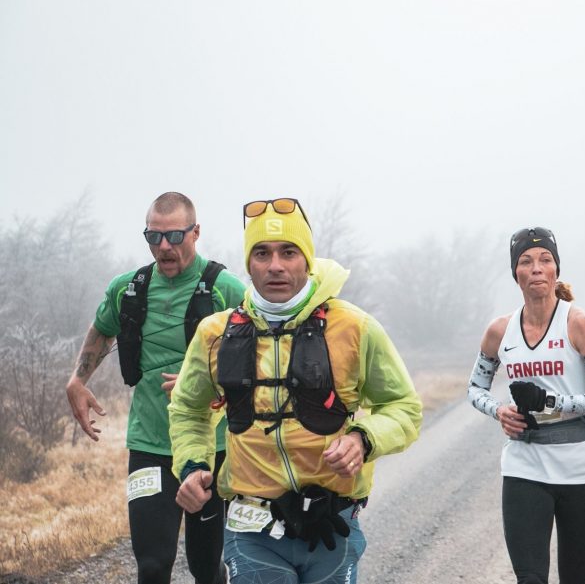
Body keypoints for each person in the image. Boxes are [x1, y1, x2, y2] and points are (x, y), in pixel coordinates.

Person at [170, 197, 422, 584]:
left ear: (306, 259)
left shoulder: (355, 327)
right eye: (261, 253)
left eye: (288, 252)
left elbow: (403, 407)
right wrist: (192, 465)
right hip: (251, 527)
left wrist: (363, 439)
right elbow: (188, 408)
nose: (275, 265)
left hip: (331, 523)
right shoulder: (214, 334)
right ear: (248, 263)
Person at [65, 191, 246, 584]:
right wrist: (78, 380)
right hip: (149, 445)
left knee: (204, 568)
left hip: (209, 448)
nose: (163, 246)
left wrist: (202, 380)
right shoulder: (128, 288)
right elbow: (102, 331)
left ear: (196, 233)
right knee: (151, 566)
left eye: (175, 236)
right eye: (154, 237)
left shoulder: (227, 289)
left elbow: (260, 356)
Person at [467, 226, 585, 584]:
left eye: (545, 259)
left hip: (579, 464)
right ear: (515, 274)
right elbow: (475, 387)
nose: (536, 267)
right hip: (524, 463)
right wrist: (499, 410)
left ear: (556, 271)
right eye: (526, 261)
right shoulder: (499, 330)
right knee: (530, 579)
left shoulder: (579, 323)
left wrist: (552, 403)